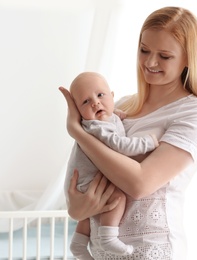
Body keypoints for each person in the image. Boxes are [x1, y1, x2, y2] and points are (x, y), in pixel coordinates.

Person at [59, 6, 197, 260]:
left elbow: (141, 183)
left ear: (188, 58)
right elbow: (82, 175)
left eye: (164, 56)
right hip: (100, 252)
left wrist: (78, 132)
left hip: (150, 249)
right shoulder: (118, 106)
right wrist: (76, 208)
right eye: (144, 50)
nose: (150, 62)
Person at [65, 72, 159, 259]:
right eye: (85, 102)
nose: (95, 103)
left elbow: (112, 116)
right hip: (87, 179)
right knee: (116, 196)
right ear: (78, 111)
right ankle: (108, 236)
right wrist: (147, 143)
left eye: (100, 95)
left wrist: (116, 112)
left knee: (90, 212)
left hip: (82, 180)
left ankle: (78, 243)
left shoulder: (108, 117)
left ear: (112, 96)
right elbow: (120, 145)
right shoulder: (97, 126)